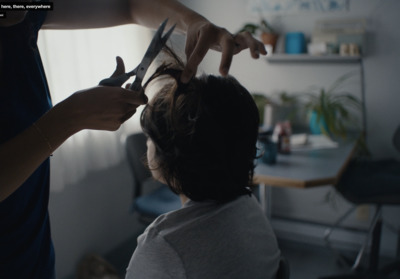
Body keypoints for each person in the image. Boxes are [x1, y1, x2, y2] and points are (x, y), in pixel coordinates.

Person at [0, 0, 267, 278]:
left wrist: (193, 22)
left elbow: (128, 3)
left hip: (30, 246)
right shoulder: (252, 213)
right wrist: (69, 117)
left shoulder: (161, 247)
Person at [125, 47, 281, 278]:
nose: (147, 144)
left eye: (150, 138)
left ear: (169, 156)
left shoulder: (162, 246)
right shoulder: (250, 207)